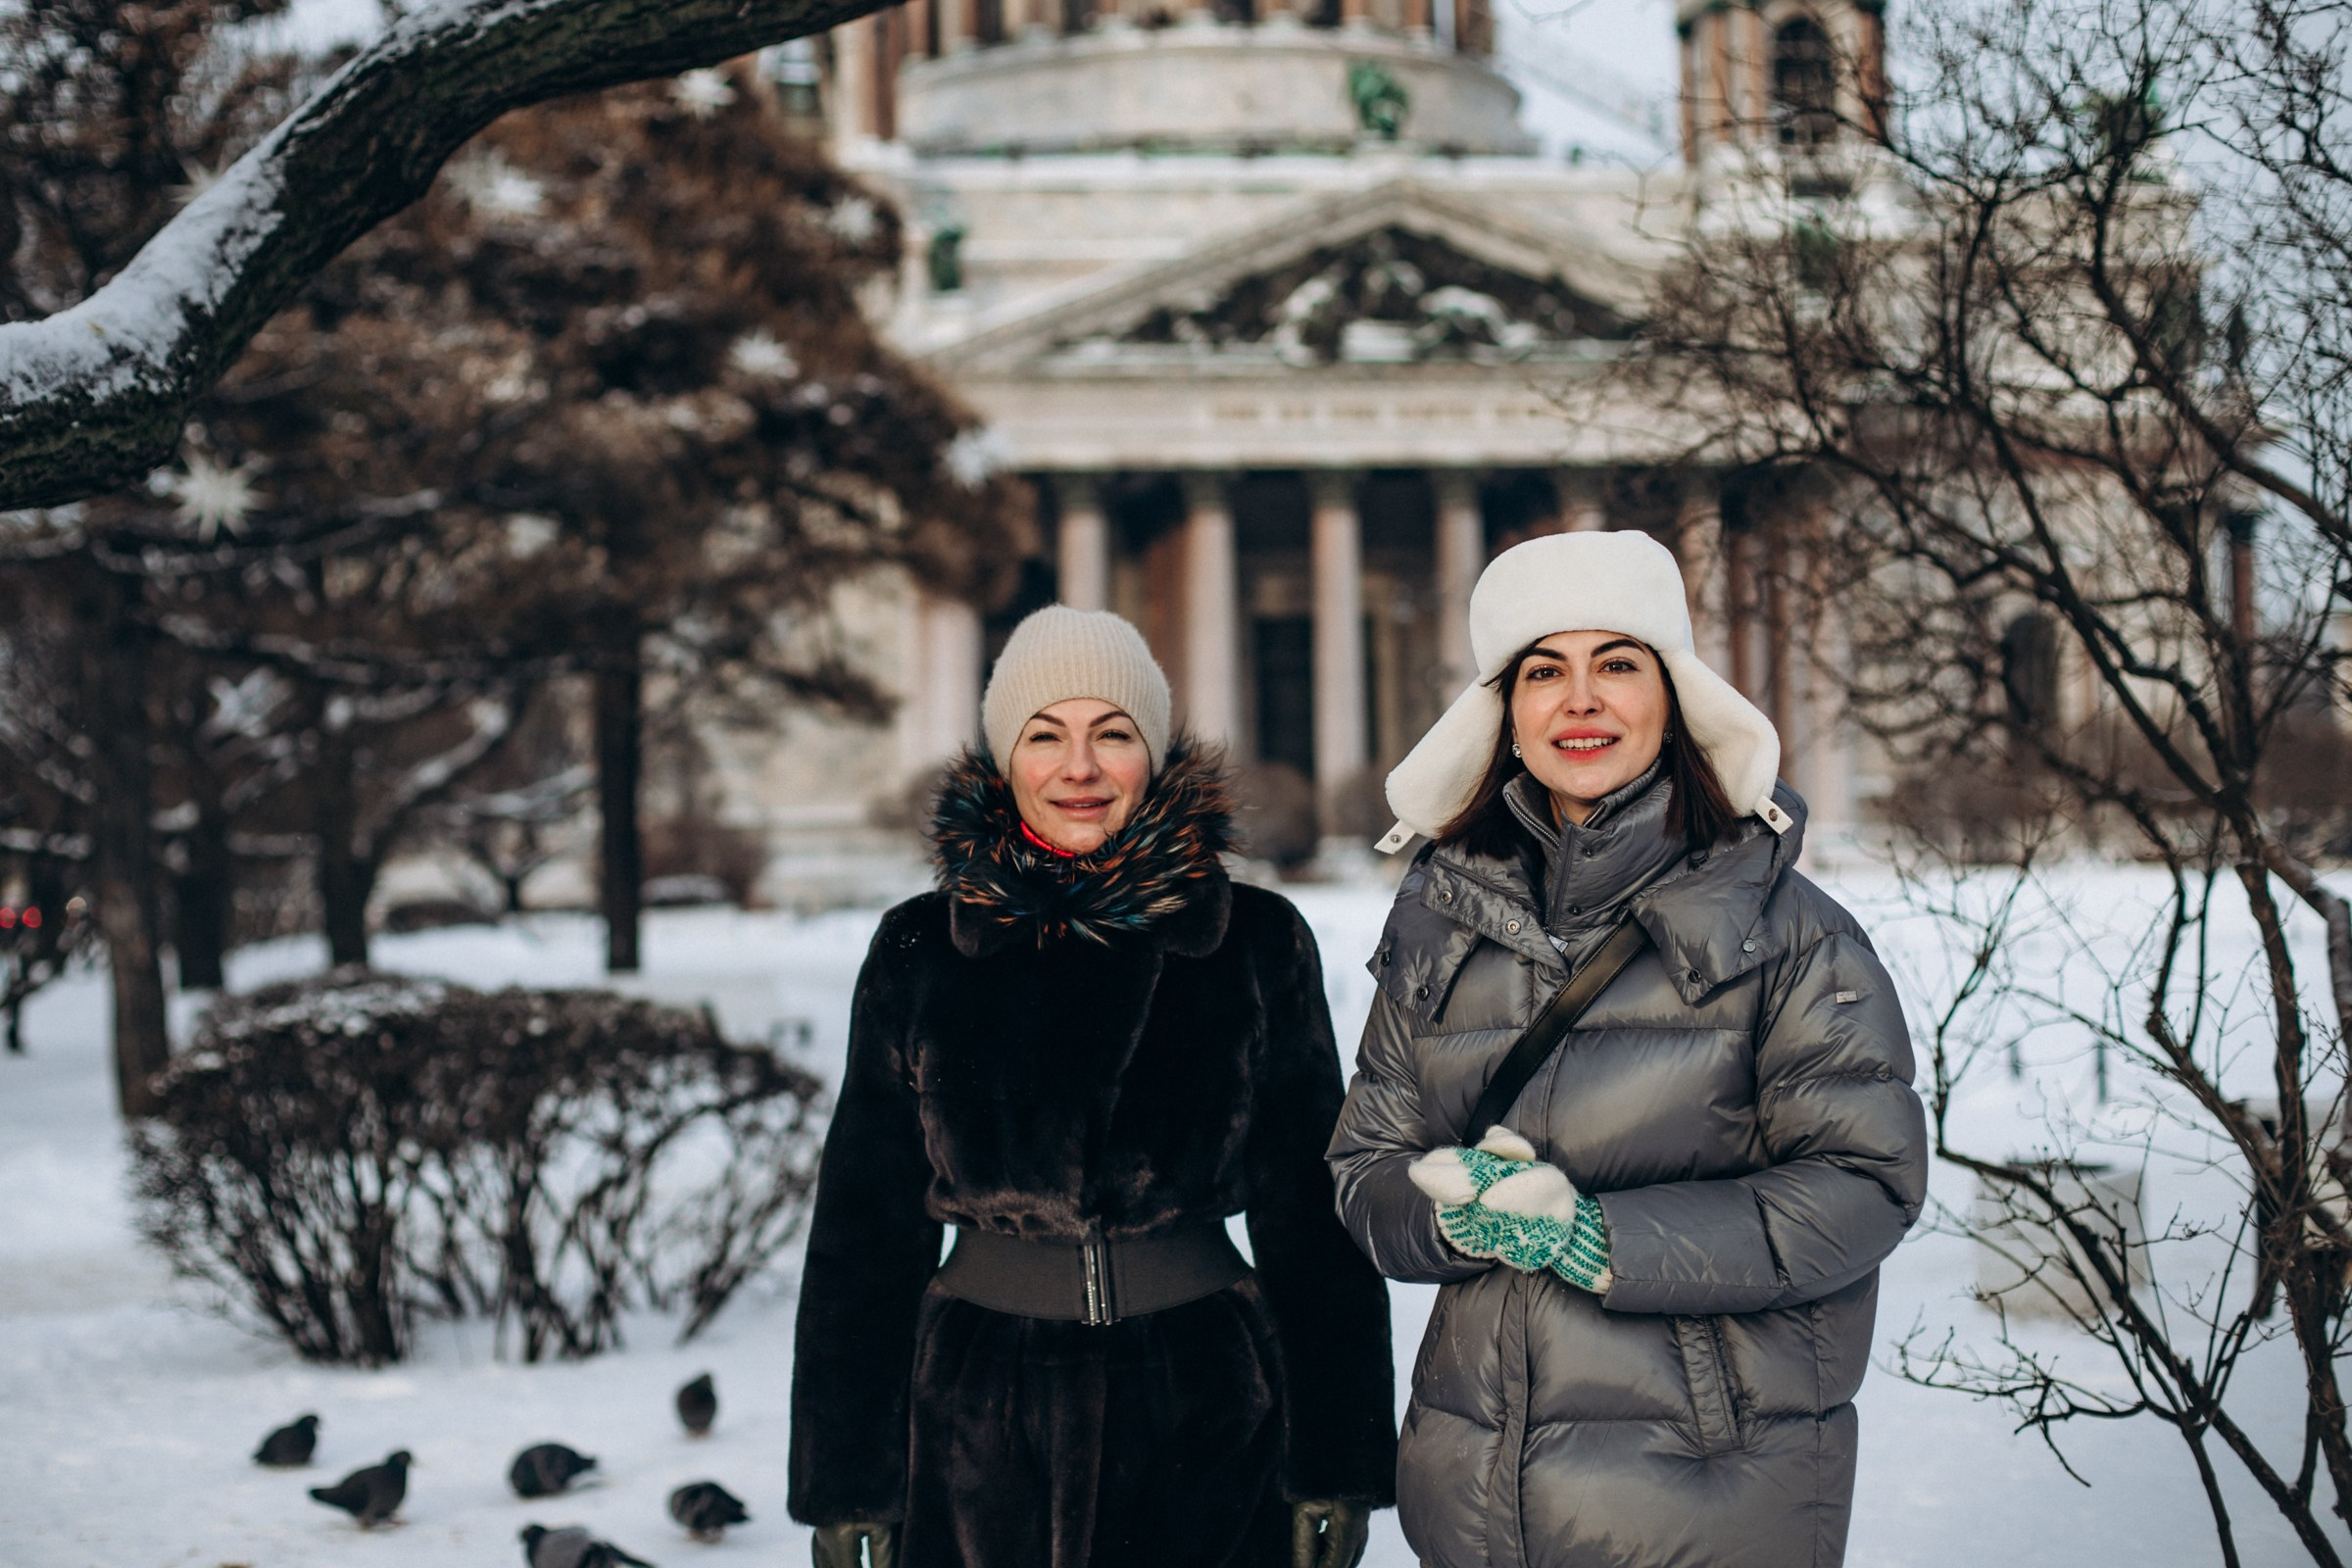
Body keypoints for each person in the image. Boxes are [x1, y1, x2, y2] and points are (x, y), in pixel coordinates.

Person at [1327, 530, 1928, 1568]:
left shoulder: (1788, 928)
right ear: (1506, 712)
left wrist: (1603, 1239)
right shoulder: (1437, 921)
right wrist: (1448, 1209)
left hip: (1704, 1501)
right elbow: (1362, 1167)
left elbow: (1866, 1184)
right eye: (1544, 671)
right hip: (1472, 1498)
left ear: (1674, 694)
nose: (1581, 699)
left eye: (1618, 663)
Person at [790, 606, 1397, 1568]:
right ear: (1004, 759)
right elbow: (866, 1230)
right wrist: (848, 1478)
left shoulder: (1252, 940)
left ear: (1152, 755)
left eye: (1111, 733)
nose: (1079, 766)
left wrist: (1336, 1458)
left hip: (1211, 1410)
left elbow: (1309, 1216)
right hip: (971, 1424)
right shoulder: (920, 947)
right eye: (1046, 735)